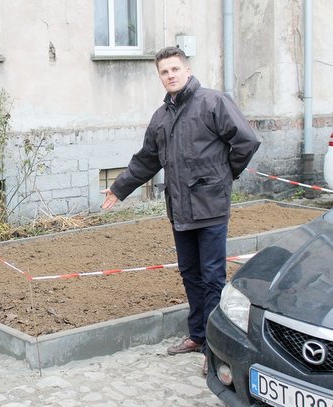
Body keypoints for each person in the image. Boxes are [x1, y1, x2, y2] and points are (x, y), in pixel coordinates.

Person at [101, 46, 260, 375]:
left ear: (186, 71)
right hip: (181, 212)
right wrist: (119, 189)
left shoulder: (212, 102)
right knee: (190, 275)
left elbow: (245, 140)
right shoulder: (161, 117)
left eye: (175, 69)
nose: (170, 75)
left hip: (211, 208)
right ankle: (198, 335)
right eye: (164, 72)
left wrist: (225, 174)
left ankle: (215, 349)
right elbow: (147, 159)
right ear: (160, 77)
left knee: (213, 278)